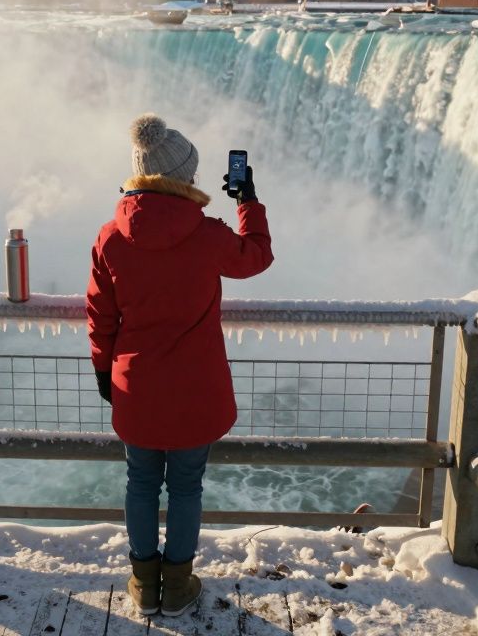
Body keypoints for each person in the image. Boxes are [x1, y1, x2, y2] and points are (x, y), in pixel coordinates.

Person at [86, 114, 273, 617]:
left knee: (141, 482)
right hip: (196, 390)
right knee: (187, 485)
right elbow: (256, 257)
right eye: (189, 173)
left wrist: (105, 372)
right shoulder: (208, 234)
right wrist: (247, 202)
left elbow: (100, 315)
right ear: (180, 178)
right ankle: (179, 584)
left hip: (135, 386)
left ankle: (144, 585)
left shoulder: (110, 237)